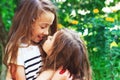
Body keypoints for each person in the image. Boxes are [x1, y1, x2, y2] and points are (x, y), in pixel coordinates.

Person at [3, 0, 71, 80]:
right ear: (28, 23)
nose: (46, 32)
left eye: (49, 27)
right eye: (43, 26)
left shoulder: (44, 45)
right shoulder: (17, 49)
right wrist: (52, 74)